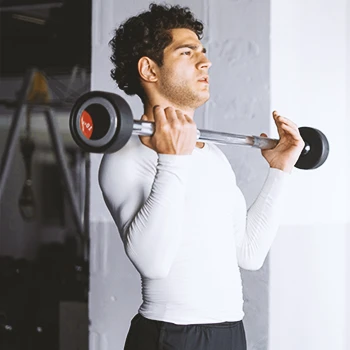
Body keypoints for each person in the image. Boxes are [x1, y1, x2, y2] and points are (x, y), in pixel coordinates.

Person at [99, 3, 304, 350]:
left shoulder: (213, 156)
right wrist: (173, 160)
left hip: (230, 332)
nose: (205, 62)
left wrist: (280, 172)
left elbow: (249, 254)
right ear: (149, 69)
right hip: (169, 335)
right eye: (186, 52)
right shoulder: (123, 158)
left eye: (203, 52)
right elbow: (153, 263)